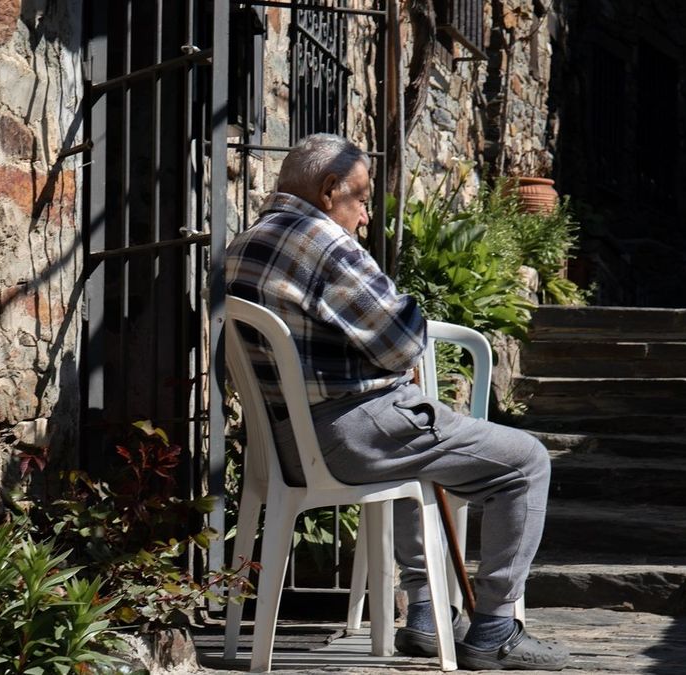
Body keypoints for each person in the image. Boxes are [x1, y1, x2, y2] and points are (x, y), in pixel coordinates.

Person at [224, 133, 570, 671]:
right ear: (329, 189)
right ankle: (494, 629)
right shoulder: (323, 242)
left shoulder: (242, 244)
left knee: (421, 449)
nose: (365, 215)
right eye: (361, 199)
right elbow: (404, 340)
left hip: (284, 442)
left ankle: (429, 614)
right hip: (349, 435)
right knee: (524, 462)